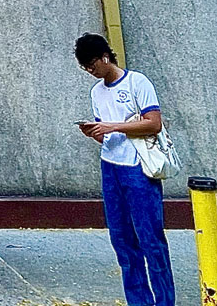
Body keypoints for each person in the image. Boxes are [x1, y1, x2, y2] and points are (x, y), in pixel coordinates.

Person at [75, 33, 175, 306]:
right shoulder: (97, 92)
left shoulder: (137, 82)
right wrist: (95, 131)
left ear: (105, 57)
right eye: (85, 67)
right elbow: (105, 134)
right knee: (121, 240)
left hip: (138, 167)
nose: (90, 70)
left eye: (92, 64)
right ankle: (138, 300)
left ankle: (165, 301)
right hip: (111, 166)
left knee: (150, 238)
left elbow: (154, 123)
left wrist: (113, 126)